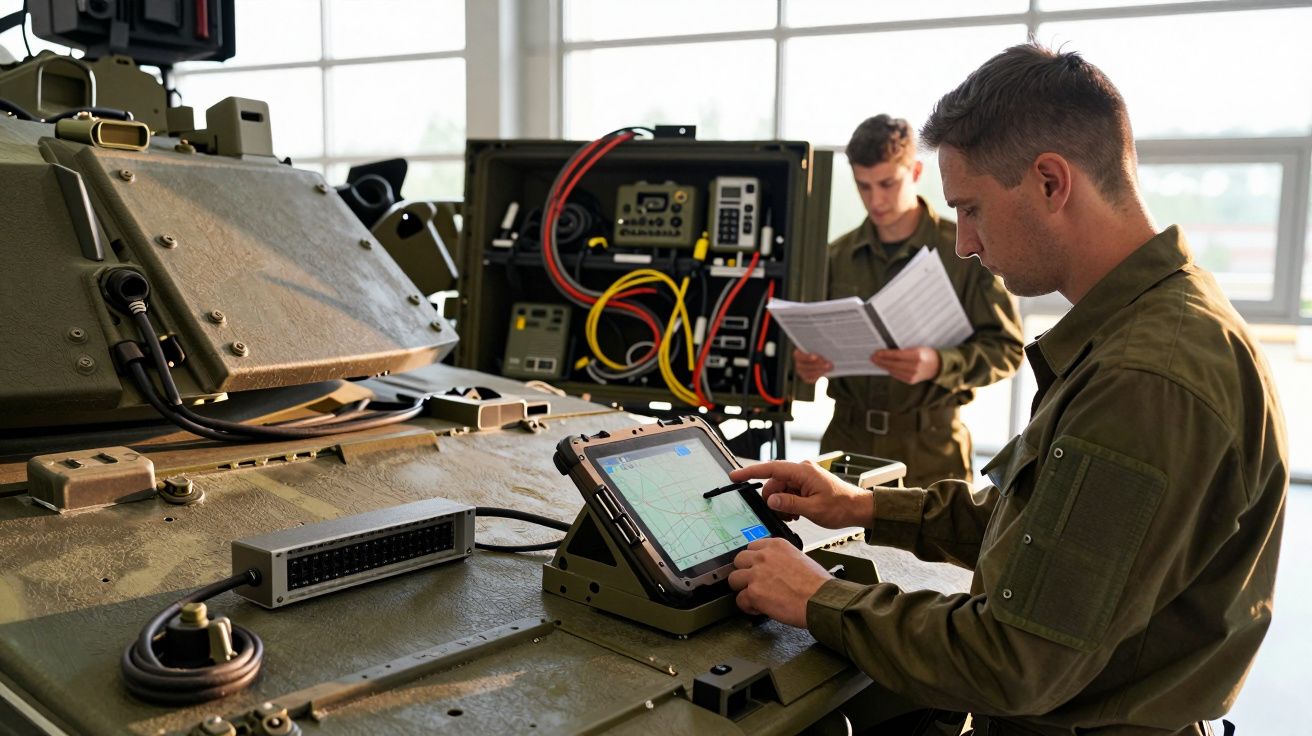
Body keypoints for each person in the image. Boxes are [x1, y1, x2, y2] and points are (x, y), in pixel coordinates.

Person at [730, 44, 1287, 735]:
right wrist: (865, 505)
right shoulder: (1154, 324)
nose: (963, 242)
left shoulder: (1144, 381)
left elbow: (1014, 659)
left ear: (1051, 183)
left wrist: (819, 598)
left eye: (971, 209)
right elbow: (1042, 527)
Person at [797, 115, 1023, 489]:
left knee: (928, 548)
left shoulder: (964, 251)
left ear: (915, 171)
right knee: (831, 546)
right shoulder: (835, 257)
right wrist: (804, 366)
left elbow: (1008, 351)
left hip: (930, 451)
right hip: (846, 442)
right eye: (864, 186)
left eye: (888, 183)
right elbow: (804, 342)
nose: (876, 199)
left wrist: (938, 362)